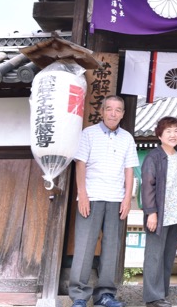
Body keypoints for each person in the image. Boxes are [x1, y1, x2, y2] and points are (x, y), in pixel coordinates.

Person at [69, 96, 139, 307]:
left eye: (118, 110)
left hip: (116, 199)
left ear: (123, 114)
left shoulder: (127, 138)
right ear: (102, 111)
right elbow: (80, 165)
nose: (113, 113)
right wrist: (82, 194)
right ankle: (79, 296)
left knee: (111, 247)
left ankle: (105, 295)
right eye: (109, 109)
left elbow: (129, 170)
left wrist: (127, 198)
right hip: (91, 196)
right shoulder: (88, 134)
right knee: (84, 246)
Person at [142, 116, 177, 307]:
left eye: (176, 131)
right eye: (168, 131)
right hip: (158, 215)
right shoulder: (154, 157)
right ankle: (153, 298)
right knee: (154, 255)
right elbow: (147, 186)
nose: (173, 134)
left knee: (168, 255)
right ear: (159, 135)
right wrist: (151, 212)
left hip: (175, 214)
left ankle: (162, 294)